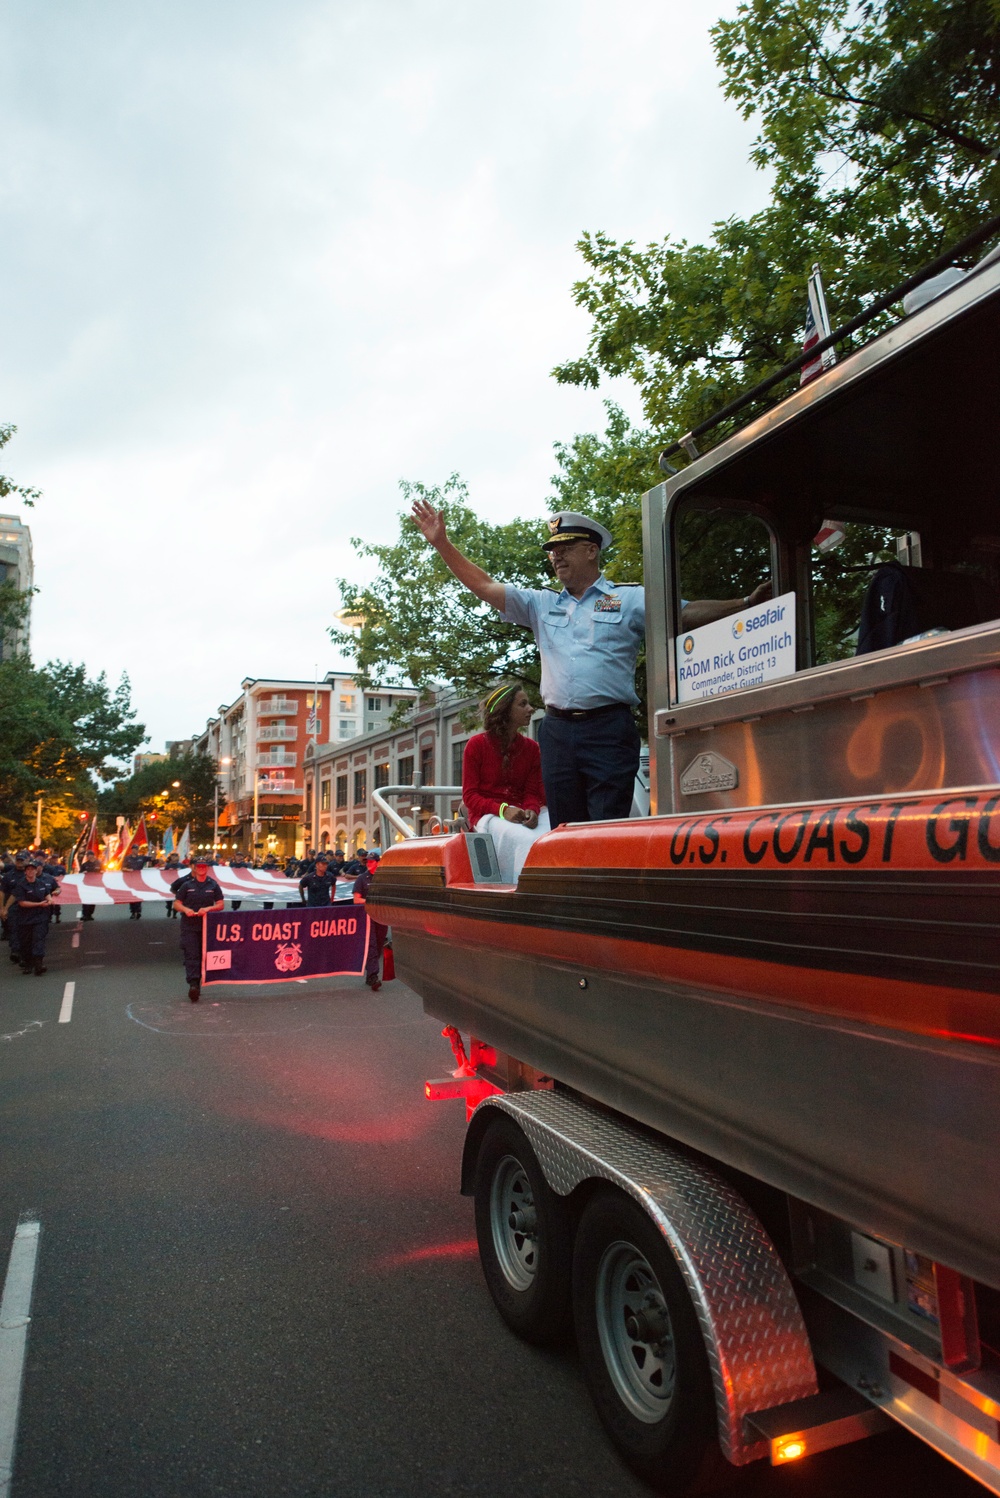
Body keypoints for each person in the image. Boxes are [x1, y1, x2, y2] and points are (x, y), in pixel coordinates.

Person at [412, 501, 771, 827]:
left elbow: (685, 611)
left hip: (608, 729)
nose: (557, 557)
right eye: (552, 551)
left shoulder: (628, 598)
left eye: (566, 548)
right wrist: (442, 543)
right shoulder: (541, 603)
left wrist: (743, 603)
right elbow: (485, 586)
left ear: (592, 550)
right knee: (565, 828)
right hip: (557, 732)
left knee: (607, 824)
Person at [463, 683, 549, 884]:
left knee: (555, 835)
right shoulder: (475, 746)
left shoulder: (531, 748)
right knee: (527, 841)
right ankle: (524, 891)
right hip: (488, 816)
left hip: (522, 813)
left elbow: (532, 790)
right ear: (505, 710)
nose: (531, 709)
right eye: (523, 704)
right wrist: (503, 810)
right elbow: (470, 796)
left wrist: (532, 810)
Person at [172, 857, 224, 1002]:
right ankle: (193, 984)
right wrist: (186, 909)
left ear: (207, 868)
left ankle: (200, 981)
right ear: (194, 868)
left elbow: (220, 904)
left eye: (204, 866)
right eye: (199, 866)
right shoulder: (187, 885)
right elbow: (176, 904)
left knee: (203, 956)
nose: (202, 868)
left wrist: (209, 908)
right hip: (189, 926)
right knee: (191, 955)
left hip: (207, 927)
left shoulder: (213, 885)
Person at [13, 859, 57, 975]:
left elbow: (47, 894)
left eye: (33, 869)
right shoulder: (21, 885)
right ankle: (28, 963)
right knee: (26, 942)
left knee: (39, 939)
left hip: (40, 917)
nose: (31, 871)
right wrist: (39, 904)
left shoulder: (41, 883)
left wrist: (50, 900)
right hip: (25, 918)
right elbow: (22, 903)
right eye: (28, 870)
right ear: (25, 872)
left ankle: (38, 964)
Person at [353, 852, 387, 991]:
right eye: (368, 861)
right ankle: (373, 976)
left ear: (378, 863)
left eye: (372, 861)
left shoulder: (383, 879)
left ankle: (370, 975)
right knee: (372, 945)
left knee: (379, 945)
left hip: (381, 916)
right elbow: (356, 899)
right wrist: (371, 901)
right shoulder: (362, 879)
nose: (369, 863)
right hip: (367, 917)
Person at [1, 852, 28, 964]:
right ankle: (15, 951)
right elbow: (2, 892)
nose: (20, 863)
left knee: (25, 931)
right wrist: (2, 908)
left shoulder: (29, 874)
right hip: (13, 907)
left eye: (22, 860)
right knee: (14, 929)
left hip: (27, 907)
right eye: (18, 860)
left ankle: (24, 953)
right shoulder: (9, 876)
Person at [79, 852, 103, 921]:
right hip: (86, 885)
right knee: (86, 900)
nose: (88, 857)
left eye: (89, 855)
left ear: (93, 855)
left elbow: (104, 870)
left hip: (95, 885)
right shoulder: (85, 865)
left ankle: (90, 914)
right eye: (87, 855)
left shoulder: (99, 863)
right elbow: (80, 873)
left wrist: (102, 871)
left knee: (93, 900)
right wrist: (82, 873)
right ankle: (85, 914)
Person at [123, 850, 146, 919]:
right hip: (130, 880)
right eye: (134, 849)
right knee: (132, 897)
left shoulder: (141, 858)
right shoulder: (127, 858)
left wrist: (154, 851)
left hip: (139, 880)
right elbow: (123, 868)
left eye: (136, 849)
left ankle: (138, 911)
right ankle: (133, 912)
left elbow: (152, 859)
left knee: (139, 896)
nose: (135, 850)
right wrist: (127, 869)